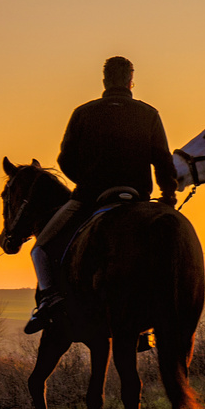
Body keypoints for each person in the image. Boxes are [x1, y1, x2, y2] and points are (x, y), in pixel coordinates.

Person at [23, 56, 178, 334]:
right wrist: (168, 198)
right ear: (131, 81)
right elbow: (164, 162)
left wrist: (86, 183)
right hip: (139, 198)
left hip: (90, 197)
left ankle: (49, 300)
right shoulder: (149, 114)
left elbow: (65, 159)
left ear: (104, 80)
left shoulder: (83, 113)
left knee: (41, 249)